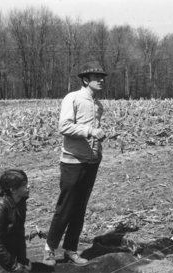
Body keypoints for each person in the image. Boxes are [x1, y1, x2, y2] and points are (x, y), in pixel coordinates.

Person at [42, 61, 107, 266]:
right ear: (86, 80)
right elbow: (64, 127)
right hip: (72, 161)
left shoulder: (98, 104)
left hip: (91, 162)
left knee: (80, 208)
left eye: (102, 77)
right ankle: (49, 249)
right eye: (97, 77)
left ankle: (70, 249)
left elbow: (92, 130)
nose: (101, 80)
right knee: (65, 208)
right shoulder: (73, 98)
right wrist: (90, 132)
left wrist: (101, 140)